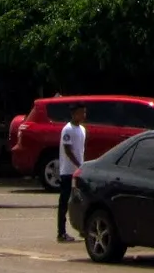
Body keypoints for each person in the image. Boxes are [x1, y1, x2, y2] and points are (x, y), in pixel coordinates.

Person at [55, 104, 87, 242]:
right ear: (74, 114)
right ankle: (61, 232)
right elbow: (68, 150)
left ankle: (83, 229)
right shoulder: (67, 129)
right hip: (68, 171)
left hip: (78, 171)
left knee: (80, 200)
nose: (83, 115)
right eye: (81, 113)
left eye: (84, 113)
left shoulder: (82, 129)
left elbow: (80, 150)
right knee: (64, 201)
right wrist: (78, 164)